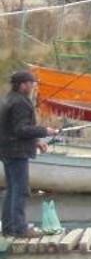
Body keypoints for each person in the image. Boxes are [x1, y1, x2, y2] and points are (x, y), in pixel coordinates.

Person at [1, 71, 50, 237]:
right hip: (17, 152)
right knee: (20, 190)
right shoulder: (20, 103)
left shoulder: (8, 99)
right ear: (23, 84)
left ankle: (8, 227)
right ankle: (21, 229)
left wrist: (36, 141)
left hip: (7, 150)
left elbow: (10, 128)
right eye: (31, 83)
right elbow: (21, 129)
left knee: (11, 189)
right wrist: (44, 131)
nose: (33, 86)